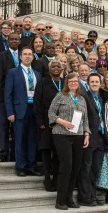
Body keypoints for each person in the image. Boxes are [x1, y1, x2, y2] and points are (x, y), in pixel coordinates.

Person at [48, 72, 90, 210]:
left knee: (76, 168)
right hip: (62, 134)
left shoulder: (82, 99)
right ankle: (60, 200)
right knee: (67, 166)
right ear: (67, 83)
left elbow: (85, 120)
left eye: (75, 81)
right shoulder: (60, 96)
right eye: (70, 81)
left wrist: (87, 135)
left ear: (78, 83)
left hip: (78, 136)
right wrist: (63, 122)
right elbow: (51, 114)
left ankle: (69, 198)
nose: (73, 83)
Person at [5, 46, 42, 177]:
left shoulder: (37, 74)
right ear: (20, 57)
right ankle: (20, 166)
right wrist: (10, 112)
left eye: (30, 54)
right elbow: (8, 94)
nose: (27, 56)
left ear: (33, 57)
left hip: (34, 110)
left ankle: (31, 166)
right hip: (19, 110)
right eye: (25, 54)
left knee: (32, 139)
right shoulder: (13, 72)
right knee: (19, 139)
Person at [34, 61, 64, 192]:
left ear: (62, 68)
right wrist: (40, 122)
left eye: (58, 66)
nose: (56, 68)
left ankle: (56, 180)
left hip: (62, 123)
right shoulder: (42, 82)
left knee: (58, 152)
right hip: (46, 122)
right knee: (46, 150)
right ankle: (47, 179)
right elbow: (37, 102)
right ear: (49, 69)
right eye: (53, 66)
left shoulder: (65, 83)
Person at [77, 73, 107, 206]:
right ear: (88, 84)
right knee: (86, 168)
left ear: (100, 84)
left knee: (96, 169)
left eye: (97, 82)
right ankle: (84, 196)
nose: (95, 84)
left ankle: (92, 195)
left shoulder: (101, 98)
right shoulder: (84, 97)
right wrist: (85, 134)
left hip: (100, 138)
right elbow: (81, 117)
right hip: (88, 137)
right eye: (92, 82)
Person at [0, 33, 21, 162]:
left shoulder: (24, 56)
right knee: (4, 125)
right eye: (12, 39)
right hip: (5, 96)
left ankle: (15, 154)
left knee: (17, 127)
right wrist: (10, 92)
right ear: (8, 41)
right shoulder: (0, 57)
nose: (14, 41)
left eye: (16, 39)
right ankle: (3, 152)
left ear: (19, 41)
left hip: (20, 98)